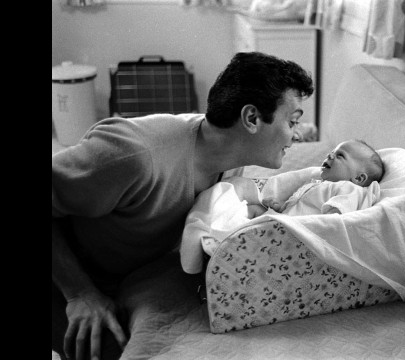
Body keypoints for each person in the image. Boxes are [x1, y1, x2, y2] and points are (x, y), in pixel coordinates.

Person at [52, 51, 314, 360]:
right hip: (66, 274)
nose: (298, 134)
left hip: (133, 274)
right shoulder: (136, 156)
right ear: (251, 118)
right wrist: (80, 294)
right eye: (293, 121)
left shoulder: (232, 159)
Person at [226, 139, 385, 217]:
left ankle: (221, 240)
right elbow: (299, 206)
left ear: (359, 178)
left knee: (249, 215)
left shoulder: (348, 189)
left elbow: (336, 219)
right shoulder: (317, 184)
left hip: (298, 230)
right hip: (285, 220)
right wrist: (280, 206)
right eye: (332, 152)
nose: (330, 155)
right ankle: (220, 235)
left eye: (340, 156)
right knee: (251, 209)